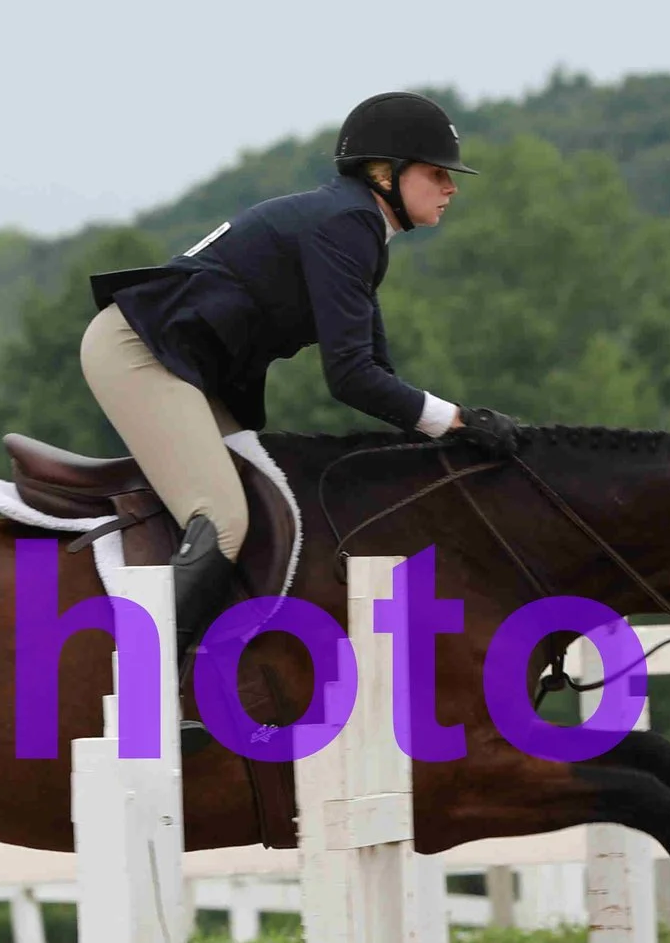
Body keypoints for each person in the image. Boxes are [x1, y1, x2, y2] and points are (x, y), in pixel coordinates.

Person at [81, 90, 523, 654]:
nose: (450, 187)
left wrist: (449, 430)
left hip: (174, 362)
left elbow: (376, 370)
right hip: (139, 353)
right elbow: (352, 377)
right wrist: (458, 422)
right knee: (224, 519)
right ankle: (147, 682)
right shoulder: (346, 226)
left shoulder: (357, 229)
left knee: (265, 498)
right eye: (437, 173)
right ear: (385, 172)